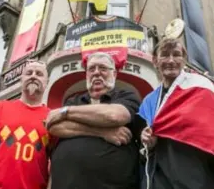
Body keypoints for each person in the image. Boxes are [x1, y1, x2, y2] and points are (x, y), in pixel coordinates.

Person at [46, 52, 146, 189]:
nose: (96, 73)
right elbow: (54, 126)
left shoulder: (126, 96)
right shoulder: (74, 100)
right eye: (91, 69)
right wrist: (102, 132)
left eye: (103, 68)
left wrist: (66, 112)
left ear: (114, 74)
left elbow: (114, 116)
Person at [139, 38, 214, 189]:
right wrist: (148, 140)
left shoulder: (202, 87)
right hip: (158, 177)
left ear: (184, 60)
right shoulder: (149, 101)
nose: (171, 60)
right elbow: (145, 144)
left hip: (195, 174)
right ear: (155, 61)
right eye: (165, 55)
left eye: (176, 54)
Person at [0, 60, 53, 189]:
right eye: (29, 73)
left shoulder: (52, 118)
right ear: (22, 80)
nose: (33, 76)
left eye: (39, 74)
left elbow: (57, 162)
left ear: (46, 82)